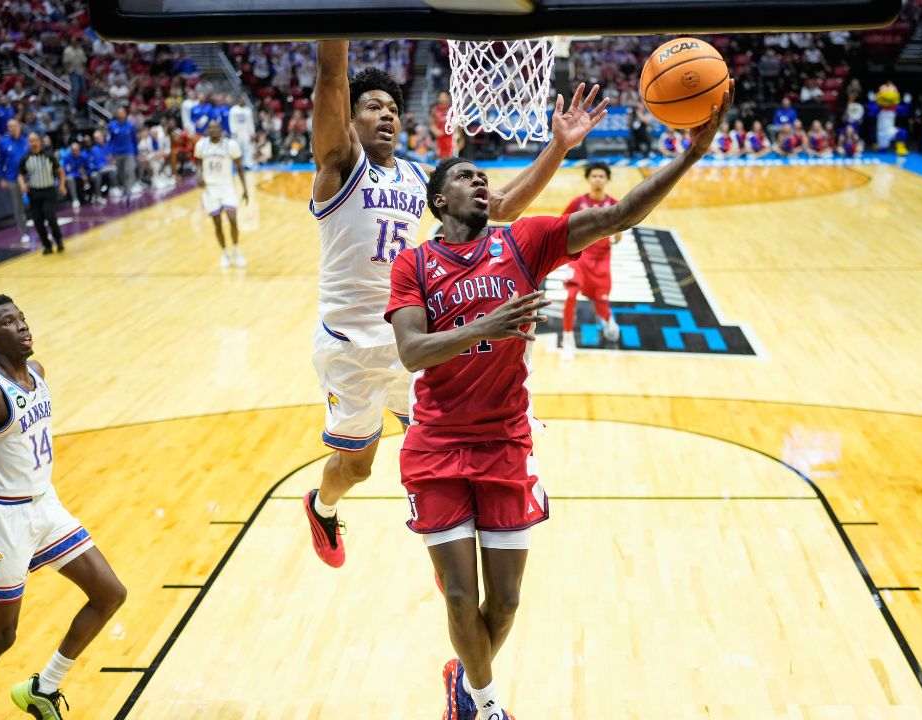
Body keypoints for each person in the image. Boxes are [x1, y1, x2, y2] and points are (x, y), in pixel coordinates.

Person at [384, 85, 733, 720]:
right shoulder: (414, 263)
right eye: (466, 176)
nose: (481, 183)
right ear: (439, 200)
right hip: (435, 443)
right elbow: (411, 352)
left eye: (485, 176)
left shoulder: (526, 242)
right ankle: (485, 706)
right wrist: (485, 328)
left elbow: (622, 213)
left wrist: (691, 153)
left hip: (507, 441)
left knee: (507, 602)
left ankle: (464, 681)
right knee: (460, 596)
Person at [302, 39, 607, 568]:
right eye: (373, 106)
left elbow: (504, 205)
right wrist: (338, 28)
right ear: (348, 119)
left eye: (393, 109)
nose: (387, 115)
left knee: (451, 444)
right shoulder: (337, 165)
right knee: (356, 469)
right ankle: (322, 507)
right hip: (350, 346)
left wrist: (558, 146)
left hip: (412, 339)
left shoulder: (420, 179)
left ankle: (457, 566)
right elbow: (331, 75)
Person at [0, 295, 126, 720]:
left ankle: (43, 688)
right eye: (7, 322)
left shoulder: (36, 372)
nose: (21, 326)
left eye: (21, 318)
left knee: (110, 594)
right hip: (2, 520)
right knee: (1, 636)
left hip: (45, 507)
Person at [559, 161, 622, 360]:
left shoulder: (614, 204)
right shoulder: (578, 202)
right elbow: (561, 224)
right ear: (588, 179)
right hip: (580, 257)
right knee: (571, 295)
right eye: (594, 176)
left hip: (602, 259)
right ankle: (568, 339)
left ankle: (608, 319)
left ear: (607, 180)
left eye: (601, 176)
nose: (597, 179)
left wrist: (617, 234)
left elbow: (620, 233)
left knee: (601, 301)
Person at [194, 120, 249, 269]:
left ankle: (236, 251)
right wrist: (199, 175)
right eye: (210, 128)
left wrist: (245, 189)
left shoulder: (230, 145)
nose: (213, 130)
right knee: (217, 224)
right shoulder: (201, 145)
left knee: (233, 220)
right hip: (210, 189)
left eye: (216, 128)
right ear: (207, 131)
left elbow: (239, 167)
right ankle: (225, 253)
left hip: (227, 187)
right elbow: (198, 163)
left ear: (221, 130)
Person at [18, 132, 67, 255]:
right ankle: (47, 245)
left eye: (35, 140)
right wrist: (23, 184)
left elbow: (60, 171)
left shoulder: (49, 156)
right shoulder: (26, 158)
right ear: (28, 143)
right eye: (31, 141)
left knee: (50, 216)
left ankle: (59, 240)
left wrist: (62, 185)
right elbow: (20, 174)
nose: (33, 143)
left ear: (39, 141)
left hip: (49, 190)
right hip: (34, 192)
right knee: (38, 220)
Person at [0, 118, 30, 244]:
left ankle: (41, 229)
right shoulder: (4, 143)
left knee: (36, 203)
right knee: (18, 206)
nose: (12, 128)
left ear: (19, 126)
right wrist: (2, 178)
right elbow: (0, 162)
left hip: (29, 178)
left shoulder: (26, 141)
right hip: (12, 178)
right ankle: (24, 232)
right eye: (9, 126)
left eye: (14, 126)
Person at [106, 107, 138, 198]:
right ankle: (124, 188)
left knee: (129, 172)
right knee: (120, 174)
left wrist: (136, 153)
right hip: (117, 153)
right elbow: (109, 140)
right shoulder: (111, 126)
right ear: (116, 115)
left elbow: (134, 140)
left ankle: (128, 192)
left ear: (125, 114)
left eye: (122, 113)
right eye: (119, 113)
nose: (120, 115)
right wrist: (109, 153)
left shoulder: (131, 126)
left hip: (129, 152)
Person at [228, 95, 256, 169]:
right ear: (238, 100)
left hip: (246, 132)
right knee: (237, 148)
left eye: (243, 100)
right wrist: (233, 131)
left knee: (248, 147)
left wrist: (252, 133)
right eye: (241, 99)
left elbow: (251, 122)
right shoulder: (233, 110)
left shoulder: (248, 110)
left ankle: (248, 163)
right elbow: (231, 122)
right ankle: (238, 164)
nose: (242, 101)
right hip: (237, 132)